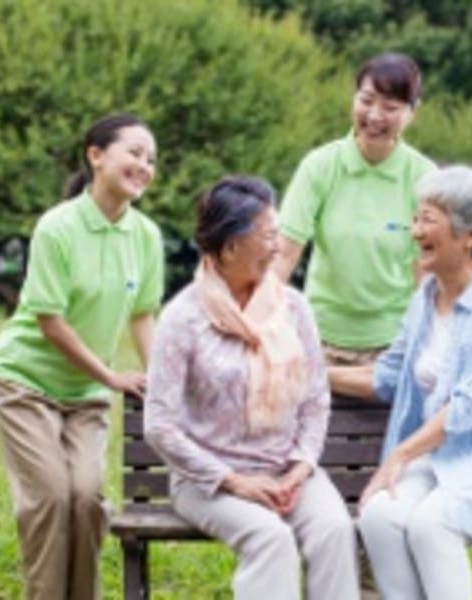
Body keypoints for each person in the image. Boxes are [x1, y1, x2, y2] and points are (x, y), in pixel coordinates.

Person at [329, 165, 472, 599]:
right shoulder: (425, 297)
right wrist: (314, 375)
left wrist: (401, 453)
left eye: (428, 219)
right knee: (379, 516)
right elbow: (389, 375)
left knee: (432, 525)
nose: (415, 231)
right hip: (441, 457)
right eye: (415, 218)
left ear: (470, 235)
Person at [144, 175, 359, 600]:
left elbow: (316, 400)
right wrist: (234, 481)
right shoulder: (182, 317)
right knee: (271, 539)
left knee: (335, 530)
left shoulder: (293, 308)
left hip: (286, 469)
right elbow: (158, 425)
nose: (278, 246)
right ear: (230, 247)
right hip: (208, 480)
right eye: (269, 235)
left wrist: (300, 467)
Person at [0, 113, 164, 600]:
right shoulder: (57, 227)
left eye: (151, 159)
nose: (144, 166)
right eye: (134, 152)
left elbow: (144, 315)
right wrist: (110, 375)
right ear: (96, 155)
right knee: (49, 499)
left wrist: (161, 380)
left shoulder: (146, 236)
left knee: (86, 498)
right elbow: (50, 321)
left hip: (84, 394)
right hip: (24, 383)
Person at [274, 52, 436, 365]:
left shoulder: (424, 178)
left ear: (412, 113)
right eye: (366, 100)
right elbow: (284, 253)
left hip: (395, 344)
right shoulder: (320, 166)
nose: (375, 115)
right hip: (317, 339)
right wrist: (256, 317)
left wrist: (431, 342)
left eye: (390, 107)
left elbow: (427, 272)